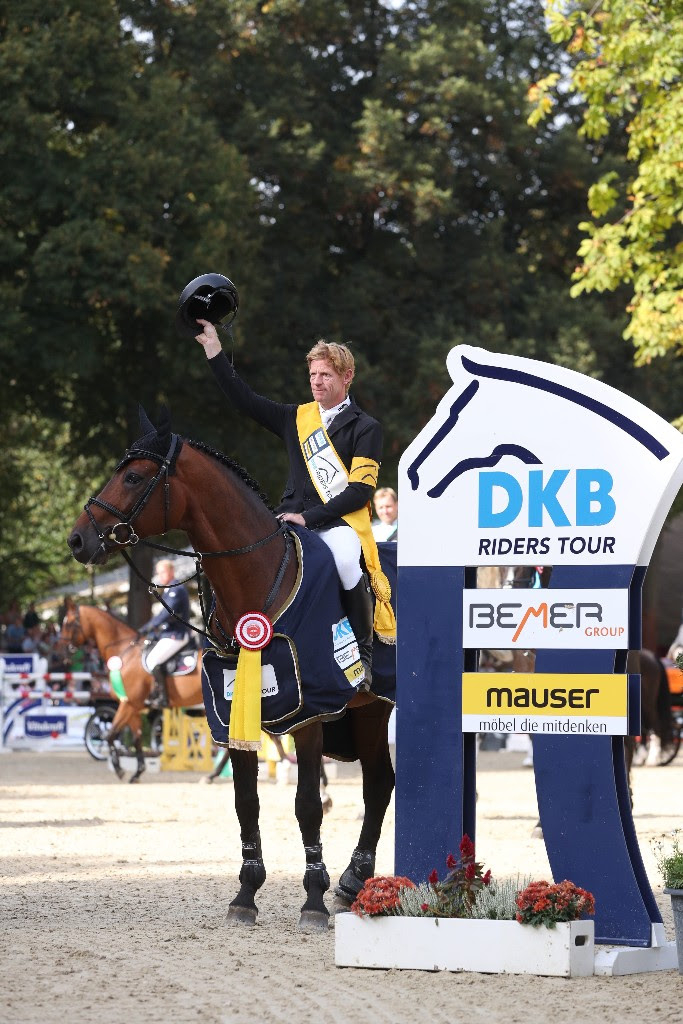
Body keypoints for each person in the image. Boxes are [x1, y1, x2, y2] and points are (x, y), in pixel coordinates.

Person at [194, 318, 395, 686]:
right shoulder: (296, 417)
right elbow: (245, 399)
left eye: (326, 376)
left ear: (347, 376)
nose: (317, 382)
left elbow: (360, 492)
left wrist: (310, 517)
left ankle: (363, 653)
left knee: (348, 562)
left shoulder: (366, 428)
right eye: (313, 375)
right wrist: (213, 350)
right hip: (287, 518)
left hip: (338, 523)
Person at [139, 559, 191, 709]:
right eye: (158, 573)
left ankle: (163, 697)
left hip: (177, 634)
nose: (160, 576)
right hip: (168, 633)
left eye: (162, 572)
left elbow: (166, 614)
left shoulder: (176, 589)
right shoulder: (169, 590)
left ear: (171, 572)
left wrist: (147, 627)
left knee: (153, 660)